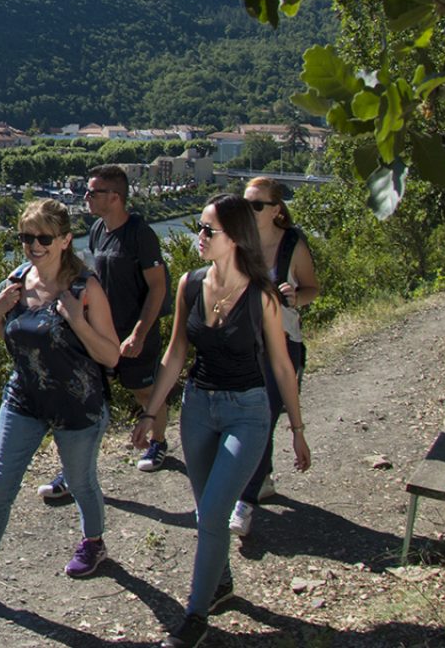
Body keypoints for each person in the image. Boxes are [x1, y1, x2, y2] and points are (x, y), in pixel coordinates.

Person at [132, 195, 310, 648]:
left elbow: (282, 366)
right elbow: (175, 354)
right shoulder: (190, 285)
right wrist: (153, 412)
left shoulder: (262, 294)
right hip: (198, 408)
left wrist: (296, 429)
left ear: (234, 238)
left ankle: (195, 614)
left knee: (212, 513)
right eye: (200, 228)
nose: (200, 237)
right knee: (206, 511)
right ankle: (222, 582)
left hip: (248, 412)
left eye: (209, 230)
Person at [0, 200, 123, 608]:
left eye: (43, 237)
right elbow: (20, 347)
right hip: (23, 398)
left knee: (80, 481)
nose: (33, 245)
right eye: (25, 237)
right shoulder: (17, 281)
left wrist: (75, 320)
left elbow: (110, 356)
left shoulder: (84, 289)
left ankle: (93, 543)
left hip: (77, 405)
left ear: (65, 239)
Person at [41, 165, 168, 502]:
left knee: (144, 392)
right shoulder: (97, 230)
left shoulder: (140, 234)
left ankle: (158, 442)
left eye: (93, 192)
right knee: (85, 397)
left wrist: (140, 333)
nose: (86, 196)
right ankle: (73, 470)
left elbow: (158, 288)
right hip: (101, 334)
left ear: (115, 197)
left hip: (134, 333)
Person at [230, 176, 319, 538]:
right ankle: (260, 480)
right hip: (245, 344)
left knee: (262, 418)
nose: (249, 212)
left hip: (283, 343)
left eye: (256, 205)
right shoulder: (239, 244)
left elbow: (313, 288)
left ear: (276, 210)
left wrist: (297, 297)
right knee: (247, 418)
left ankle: (245, 502)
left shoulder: (292, 246)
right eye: (245, 204)